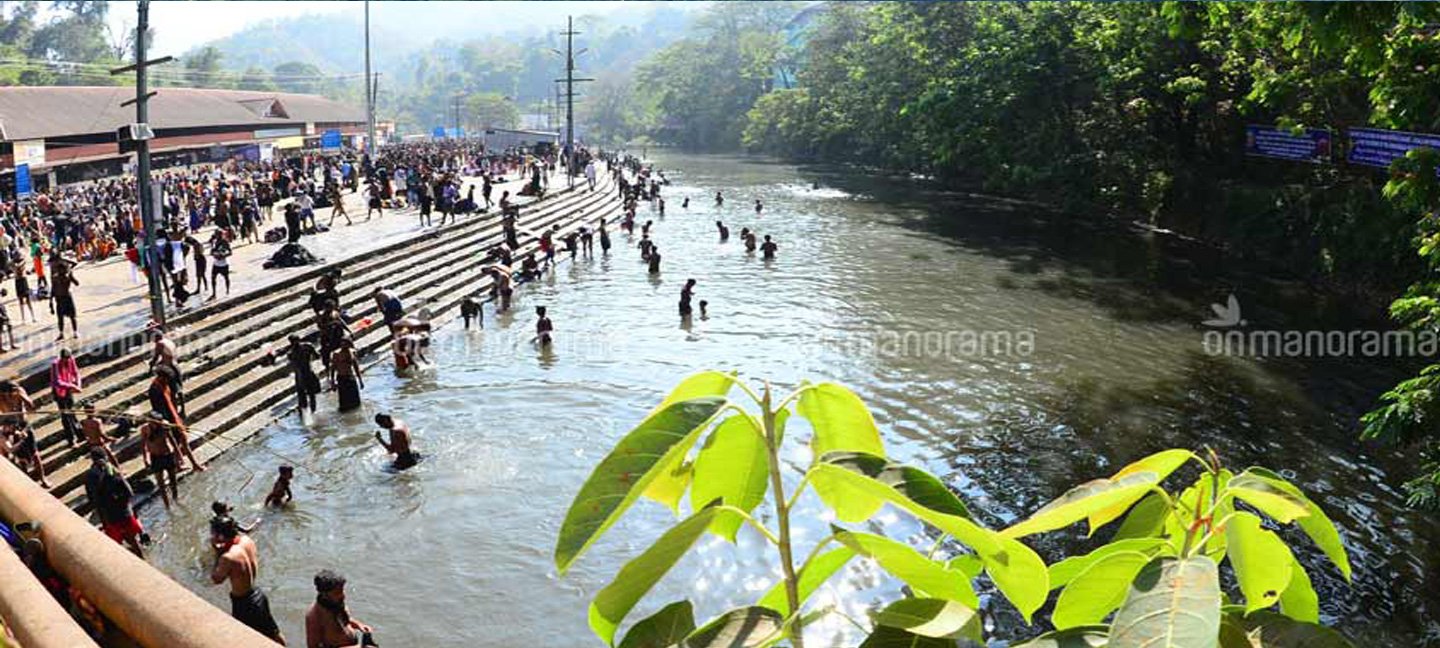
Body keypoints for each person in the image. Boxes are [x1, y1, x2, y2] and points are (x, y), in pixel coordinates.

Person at [210, 515, 286, 645]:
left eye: (213, 533)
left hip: (244, 603)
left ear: (220, 536)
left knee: (242, 637)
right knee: (273, 633)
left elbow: (216, 579)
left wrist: (217, 553)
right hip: (258, 595)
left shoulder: (227, 558)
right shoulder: (246, 541)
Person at [84, 448, 144, 557]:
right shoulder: (114, 472)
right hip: (124, 513)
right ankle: (144, 565)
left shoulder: (90, 476)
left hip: (109, 518)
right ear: (105, 457)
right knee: (134, 543)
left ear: (92, 460)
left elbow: (93, 500)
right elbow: (129, 493)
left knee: (117, 549)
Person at [149, 366, 203, 473]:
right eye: (166, 378)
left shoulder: (165, 385)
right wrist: (165, 422)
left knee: (182, 439)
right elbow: (157, 408)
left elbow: (172, 400)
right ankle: (183, 464)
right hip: (165, 420)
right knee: (175, 442)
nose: (167, 380)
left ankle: (192, 464)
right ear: (160, 377)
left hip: (173, 416)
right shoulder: (154, 389)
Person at [306, 570, 376, 648]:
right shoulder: (314, 616)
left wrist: (359, 625)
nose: (343, 595)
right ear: (324, 594)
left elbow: (346, 620)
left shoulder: (336, 602)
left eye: (342, 590)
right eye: (337, 593)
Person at [140, 412, 180, 508]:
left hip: (167, 455)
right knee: (161, 484)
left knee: (173, 480)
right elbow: (143, 445)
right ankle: (167, 505)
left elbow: (172, 440)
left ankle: (176, 499)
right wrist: (145, 459)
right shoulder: (145, 429)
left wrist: (178, 454)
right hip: (155, 457)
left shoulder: (164, 426)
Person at [50, 349, 83, 446]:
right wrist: (72, 386)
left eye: (68, 359)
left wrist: (78, 385)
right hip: (59, 392)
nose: (67, 361)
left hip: (68, 389)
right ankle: (71, 439)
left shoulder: (71, 359)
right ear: (61, 358)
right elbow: (57, 382)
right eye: (65, 359)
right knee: (65, 416)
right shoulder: (55, 364)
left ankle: (79, 433)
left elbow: (75, 372)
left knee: (72, 412)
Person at [286, 334, 322, 418]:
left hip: (302, 374)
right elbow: (317, 356)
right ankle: (311, 413)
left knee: (306, 395)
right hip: (305, 373)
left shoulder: (292, 352)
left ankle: (309, 413)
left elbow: (293, 366)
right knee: (309, 395)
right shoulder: (307, 347)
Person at [49, 253, 80, 340]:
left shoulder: (66, 276)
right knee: (60, 317)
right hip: (59, 298)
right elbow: (52, 289)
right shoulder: (55, 277)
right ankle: (61, 333)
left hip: (66, 297)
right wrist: (50, 302)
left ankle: (75, 332)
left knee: (72, 316)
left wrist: (71, 275)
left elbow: (77, 283)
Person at [329, 338, 363, 412]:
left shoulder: (352, 352)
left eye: (346, 344)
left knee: (355, 400)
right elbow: (333, 368)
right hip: (341, 378)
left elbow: (356, 367)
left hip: (350, 377)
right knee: (344, 401)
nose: (344, 346)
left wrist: (360, 380)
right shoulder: (336, 354)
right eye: (343, 344)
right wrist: (332, 382)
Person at [210, 230, 232, 299]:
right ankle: (214, 293)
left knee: (226, 278)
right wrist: (214, 254)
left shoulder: (225, 242)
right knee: (213, 278)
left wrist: (223, 255)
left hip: (224, 263)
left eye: (218, 234)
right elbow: (211, 252)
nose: (217, 236)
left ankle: (227, 291)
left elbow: (230, 252)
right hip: (216, 263)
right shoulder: (214, 242)